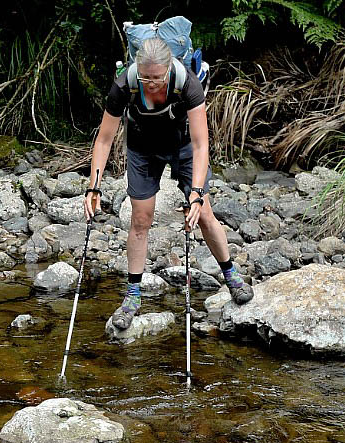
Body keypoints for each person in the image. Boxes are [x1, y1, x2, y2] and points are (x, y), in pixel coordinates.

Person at [84, 37, 253, 330]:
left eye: (156, 77)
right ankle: (133, 295)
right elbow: (104, 139)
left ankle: (231, 275)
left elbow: (201, 145)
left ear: (167, 69)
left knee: (204, 214)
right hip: (141, 148)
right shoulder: (125, 85)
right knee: (140, 218)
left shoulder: (187, 83)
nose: (150, 83)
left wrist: (197, 194)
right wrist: (93, 186)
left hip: (184, 147)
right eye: (145, 77)